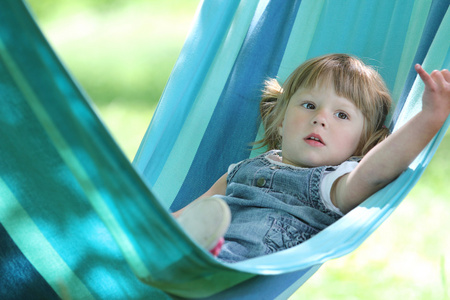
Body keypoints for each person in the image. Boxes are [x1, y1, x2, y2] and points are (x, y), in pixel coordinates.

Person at [174, 54, 450, 263]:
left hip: (236, 266)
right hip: (186, 251)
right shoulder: (243, 169)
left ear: (362, 143)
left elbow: (374, 173)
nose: (319, 118)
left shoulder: (332, 183)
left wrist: (429, 118)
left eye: (341, 115)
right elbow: (192, 212)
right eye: (309, 106)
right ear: (280, 121)